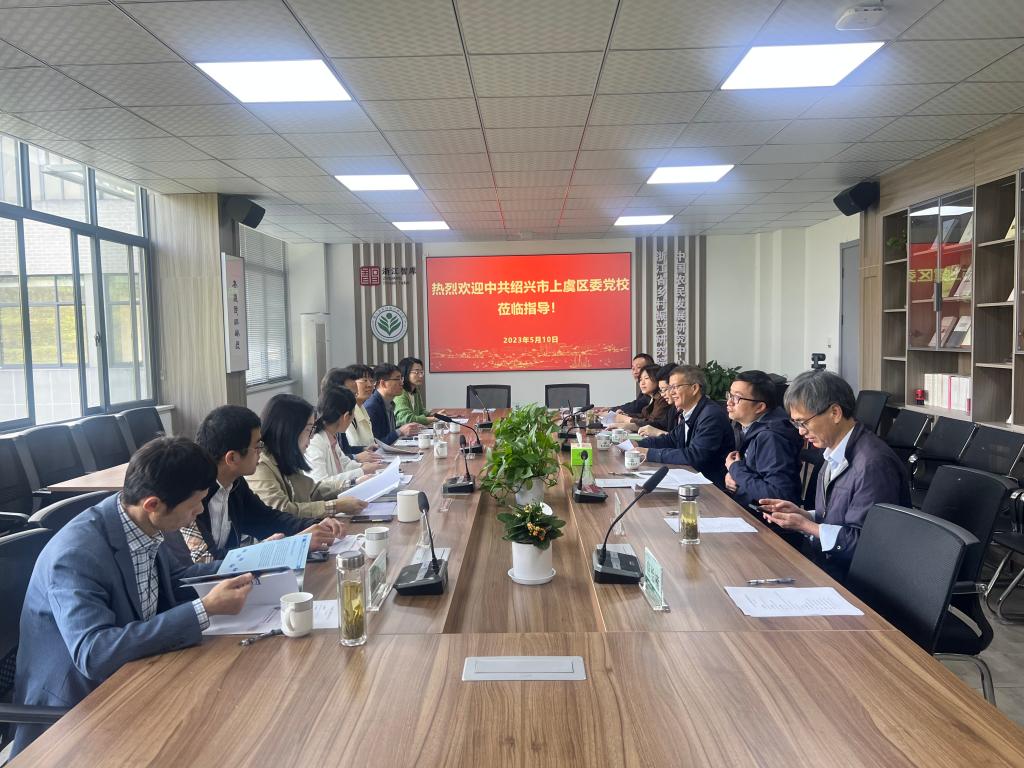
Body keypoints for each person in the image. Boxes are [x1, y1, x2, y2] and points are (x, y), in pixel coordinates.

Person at [11, 438, 253, 756]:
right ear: (153, 504)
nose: (198, 512)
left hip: (137, 673)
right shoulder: (76, 555)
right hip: (78, 709)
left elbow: (175, 579)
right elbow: (95, 654)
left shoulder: (137, 522)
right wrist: (203, 609)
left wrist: (254, 560)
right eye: (194, 504)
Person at [758, 370, 911, 583]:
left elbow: (868, 544)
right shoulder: (834, 450)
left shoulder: (873, 464)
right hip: (829, 567)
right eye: (796, 424)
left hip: (859, 582)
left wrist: (806, 526)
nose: (801, 432)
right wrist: (805, 515)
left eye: (803, 422)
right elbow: (840, 516)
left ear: (835, 413)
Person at [182, 405, 347, 563]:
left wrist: (316, 525)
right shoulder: (192, 495)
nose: (261, 451)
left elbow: (268, 519)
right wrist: (289, 546)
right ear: (232, 458)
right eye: (257, 446)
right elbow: (207, 561)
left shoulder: (235, 484)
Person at [248, 394, 371, 518]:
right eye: (308, 429)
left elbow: (312, 491)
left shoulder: (287, 456)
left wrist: (353, 483)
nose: (311, 436)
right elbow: (282, 510)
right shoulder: (260, 464)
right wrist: (336, 506)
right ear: (290, 430)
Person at [633, 365, 733, 488]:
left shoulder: (710, 415)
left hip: (711, 487)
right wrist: (637, 444)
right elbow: (671, 439)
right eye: (670, 388)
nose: (671, 392)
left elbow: (695, 456)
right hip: (692, 479)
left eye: (675, 387)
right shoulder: (690, 412)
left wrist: (649, 453)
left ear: (694, 388)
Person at [723, 370, 803, 510]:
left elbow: (778, 495)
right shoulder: (745, 426)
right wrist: (733, 475)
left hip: (762, 518)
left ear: (759, 407)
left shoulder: (771, 437)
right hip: (745, 506)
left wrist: (735, 470)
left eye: (737, 398)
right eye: (730, 395)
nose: (729, 402)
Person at [306, 385, 381, 488]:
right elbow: (320, 484)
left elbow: (345, 464)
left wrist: (364, 466)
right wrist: (362, 471)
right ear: (346, 416)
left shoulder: (331, 435)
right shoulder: (315, 442)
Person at [364, 362, 423, 445]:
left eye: (401, 379)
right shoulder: (372, 407)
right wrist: (400, 431)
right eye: (397, 379)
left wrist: (407, 428)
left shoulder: (389, 403)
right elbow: (376, 444)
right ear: (383, 383)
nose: (402, 383)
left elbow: (389, 433)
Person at [614, 363, 672, 432]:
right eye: (640, 379)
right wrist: (626, 415)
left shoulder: (663, 399)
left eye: (646, 378)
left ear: (657, 379)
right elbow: (643, 416)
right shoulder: (652, 398)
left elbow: (652, 423)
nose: (642, 383)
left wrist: (626, 419)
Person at [394, 356, 442, 427]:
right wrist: (433, 419)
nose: (421, 375)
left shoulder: (415, 391)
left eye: (421, 372)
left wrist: (435, 415)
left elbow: (421, 411)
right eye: (416, 372)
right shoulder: (400, 393)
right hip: (401, 432)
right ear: (405, 373)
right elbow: (407, 419)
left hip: (414, 431)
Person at [636, 364, 679, 438]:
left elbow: (683, 442)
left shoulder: (664, 402)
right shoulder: (674, 409)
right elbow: (659, 424)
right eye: (661, 390)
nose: (662, 394)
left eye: (646, 378)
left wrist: (658, 432)